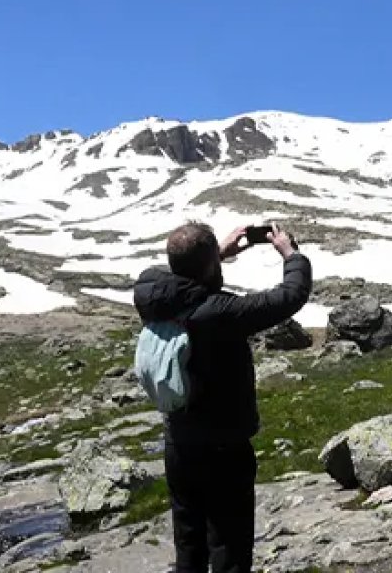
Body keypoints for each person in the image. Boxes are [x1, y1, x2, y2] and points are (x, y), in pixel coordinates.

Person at [132, 221, 312, 573]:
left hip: (179, 444)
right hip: (223, 449)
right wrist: (291, 254)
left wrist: (214, 257)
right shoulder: (219, 313)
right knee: (229, 548)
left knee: (189, 546)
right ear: (209, 264)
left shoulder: (153, 296)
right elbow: (291, 295)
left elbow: (177, 275)